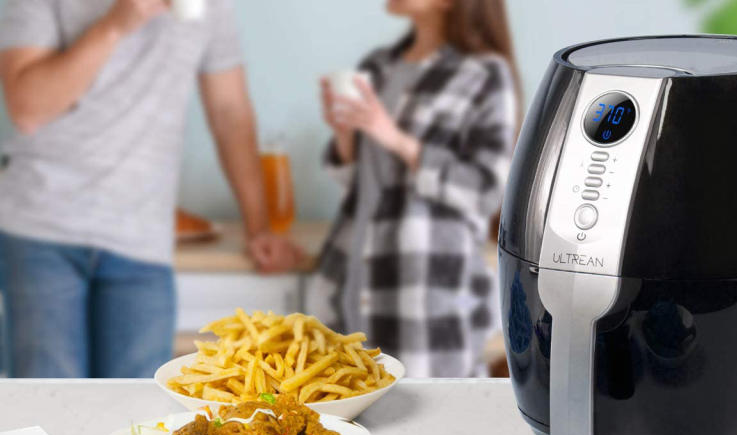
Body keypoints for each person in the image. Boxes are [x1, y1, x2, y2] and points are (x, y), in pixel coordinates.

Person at [0, 0, 301, 378]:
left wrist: (259, 228)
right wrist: (116, 24)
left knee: (137, 416)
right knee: (48, 410)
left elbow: (230, 114)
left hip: (142, 239)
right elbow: (28, 110)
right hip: (40, 230)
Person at [317, 0, 519, 377]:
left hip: (425, 295)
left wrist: (394, 138)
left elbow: (486, 189)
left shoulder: (484, 73)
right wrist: (345, 135)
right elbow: (361, 186)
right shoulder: (378, 65)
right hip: (352, 283)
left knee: (434, 424)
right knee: (353, 425)